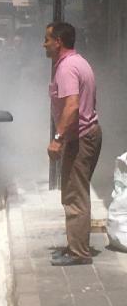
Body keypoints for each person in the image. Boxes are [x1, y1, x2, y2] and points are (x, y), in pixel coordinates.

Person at [44, 21, 102, 266]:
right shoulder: (77, 62)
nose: (44, 44)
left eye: (47, 39)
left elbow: (72, 106)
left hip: (80, 138)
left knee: (74, 195)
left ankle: (79, 252)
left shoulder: (66, 68)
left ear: (58, 42)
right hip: (85, 135)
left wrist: (57, 139)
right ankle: (74, 247)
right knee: (74, 192)